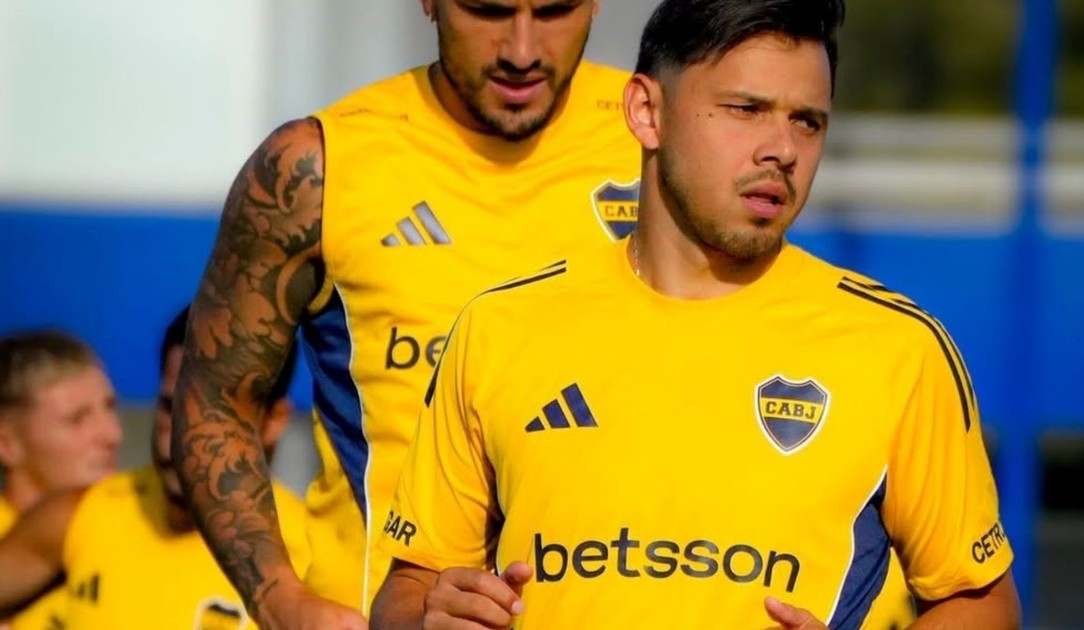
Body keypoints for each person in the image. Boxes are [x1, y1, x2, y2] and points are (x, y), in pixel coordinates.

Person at [370, 0, 1021, 627]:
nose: (782, 149)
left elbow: (984, 604)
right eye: (747, 110)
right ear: (646, 111)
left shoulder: (897, 348)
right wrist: (428, 617)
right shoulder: (499, 327)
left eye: (807, 121)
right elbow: (410, 587)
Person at [171, 0, 643, 627]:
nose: (522, 51)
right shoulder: (319, 166)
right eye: (489, 11)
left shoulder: (663, 138)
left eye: (554, 11)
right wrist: (279, 600)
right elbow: (214, 402)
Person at [0, 307, 309, 629]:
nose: (182, 438)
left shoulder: (308, 563)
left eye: (213, 418)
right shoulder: (80, 514)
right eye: (169, 407)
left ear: (274, 421)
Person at [0, 331, 123, 629]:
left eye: (109, 407)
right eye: (77, 419)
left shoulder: (133, 527)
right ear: (6, 444)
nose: (112, 435)